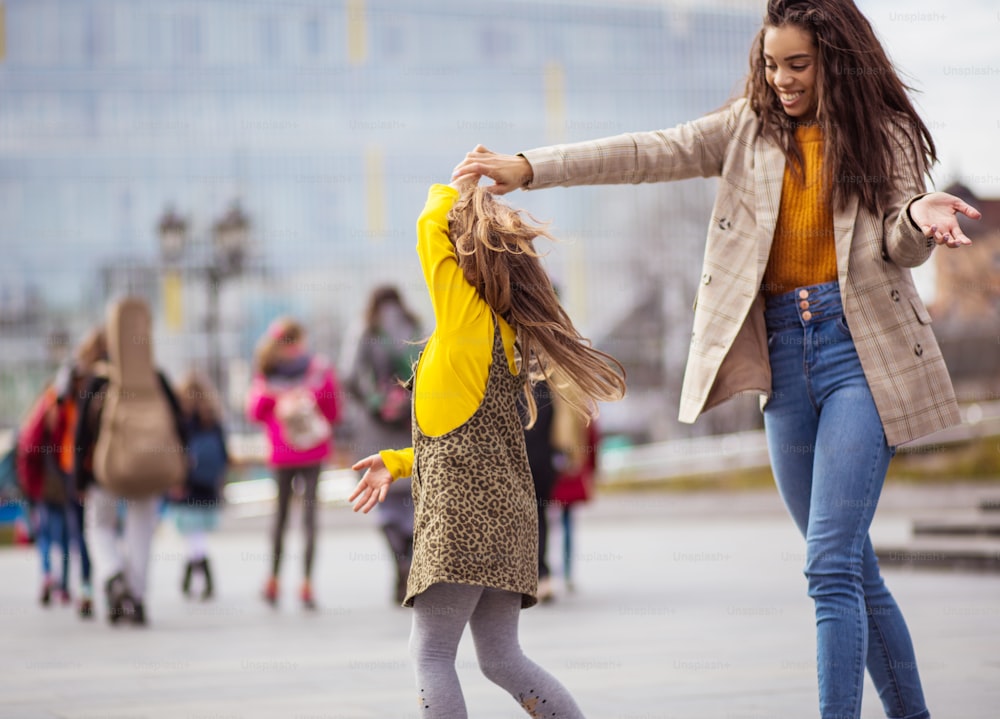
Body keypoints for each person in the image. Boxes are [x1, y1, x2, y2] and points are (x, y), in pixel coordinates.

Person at [453, 1, 980, 716]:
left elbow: (897, 237)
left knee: (828, 565)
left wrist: (921, 218)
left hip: (862, 357)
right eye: (771, 64)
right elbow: (647, 152)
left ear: (834, 58)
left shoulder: (881, 133)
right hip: (784, 361)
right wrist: (529, 166)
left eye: (798, 65)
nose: (782, 79)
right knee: (850, 565)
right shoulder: (748, 132)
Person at [349, 176, 626, 718]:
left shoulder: (464, 321)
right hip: (508, 516)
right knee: (501, 657)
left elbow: (428, 230)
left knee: (429, 653)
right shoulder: (502, 332)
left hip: (462, 520)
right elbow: (463, 435)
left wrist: (450, 188)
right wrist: (397, 461)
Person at [75, 300, 187, 626]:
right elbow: (178, 425)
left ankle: (112, 577)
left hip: (105, 473)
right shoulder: (157, 378)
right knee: (142, 531)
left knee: (98, 526)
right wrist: (180, 470)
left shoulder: (98, 381)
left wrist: (79, 482)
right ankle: (136, 597)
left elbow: (81, 436)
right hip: (148, 471)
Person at [246, 317, 340, 610]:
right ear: (300, 340)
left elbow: (255, 413)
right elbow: (334, 411)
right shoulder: (319, 371)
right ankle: (307, 585)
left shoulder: (267, 373)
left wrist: (278, 401)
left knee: (280, 517)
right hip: (313, 451)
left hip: (281, 453)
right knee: (310, 519)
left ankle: (273, 582)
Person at [343, 285, 422, 605]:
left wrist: (376, 403)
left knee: (382, 501)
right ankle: (410, 561)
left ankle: (399, 562)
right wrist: (407, 403)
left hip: (375, 429)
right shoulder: (416, 327)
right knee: (414, 503)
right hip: (410, 425)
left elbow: (349, 376)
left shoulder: (365, 330)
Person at [167, 371, 229, 601]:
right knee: (197, 534)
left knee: (193, 535)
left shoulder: (182, 421)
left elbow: (174, 454)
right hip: (207, 487)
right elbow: (223, 455)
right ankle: (191, 573)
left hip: (187, 486)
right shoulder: (212, 419)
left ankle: (202, 574)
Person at [17, 384, 71, 608]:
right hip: (61, 488)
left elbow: (25, 455)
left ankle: (49, 576)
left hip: (44, 488)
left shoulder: (36, 423)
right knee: (64, 537)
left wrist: (30, 487)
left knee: (46, 536)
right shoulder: (63, 420)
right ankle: (63, 585)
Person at [517, 379, 558, 603]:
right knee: (540, 519)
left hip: (520, 467)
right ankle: (542, 573)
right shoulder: (546, 389)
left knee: (522, 521)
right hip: (544, 465)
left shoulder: (509, 389)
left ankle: (530, 574)